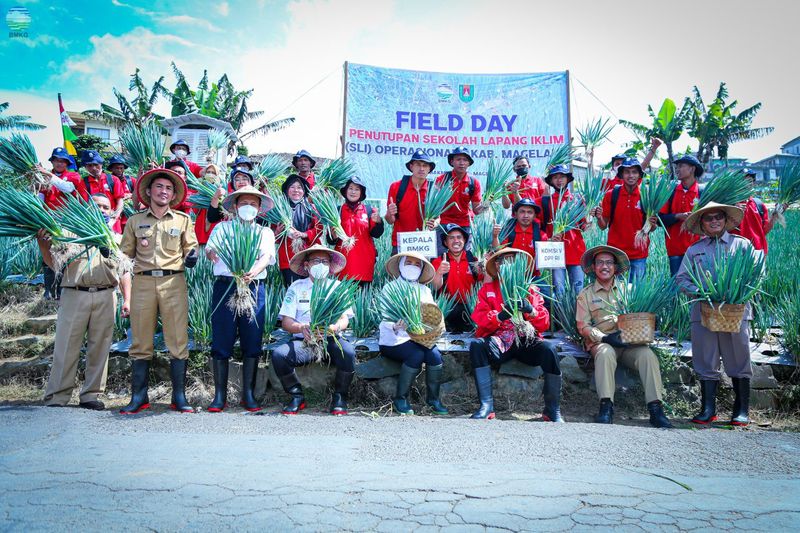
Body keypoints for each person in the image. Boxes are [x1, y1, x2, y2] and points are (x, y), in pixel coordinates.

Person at [37, 194, 131, 410]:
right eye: (97, 206)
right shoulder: (69, 235)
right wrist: (43, 244)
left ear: (111, 211)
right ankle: (57, 395)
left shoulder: (116, 238)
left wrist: (127, 299)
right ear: (87, 208)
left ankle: (91, 395)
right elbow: (54, 264)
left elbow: (125, 270)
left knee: (100, 346)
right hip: (75, 293)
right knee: (66, 344)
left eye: (106, 207)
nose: (102, 210)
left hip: (106, 295)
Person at [119, 168, 199, 414]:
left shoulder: (182, 220)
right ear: (149, 191)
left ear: (173, 195)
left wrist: (192, 257)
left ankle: (179, 397)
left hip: (173, 282)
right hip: (143, 282)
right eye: (159, 187)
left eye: (169, 188)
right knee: (141, 339)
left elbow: (191, 246)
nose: (164, 191)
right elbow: (125, 255)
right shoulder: (135, 221)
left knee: (177, 338)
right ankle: (139, 397)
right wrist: (112, 255)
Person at [676, 202, 756, 426]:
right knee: (706, 358)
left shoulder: (742, 245)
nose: (714, 221)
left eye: (718, 217)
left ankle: (741, 410)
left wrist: (737, 292)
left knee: (739, 356)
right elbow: (682, 279)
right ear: (702, 224)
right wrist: (700, 291)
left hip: (735, 312)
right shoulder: (694, 250)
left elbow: (756, 274)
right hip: (704, 312)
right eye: (708, 218)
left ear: (726, 220)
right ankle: (708, 409)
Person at [575, 245, 672, 428]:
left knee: (647, 356)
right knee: (605, 353)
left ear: (615, 267)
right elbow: (583, 326)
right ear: (593, 267)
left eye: (609, 262)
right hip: (602, 343)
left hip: (629, 344)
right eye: (600, 262)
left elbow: (641, 314)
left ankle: (656, 409)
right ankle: (606, 407)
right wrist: (604, 338)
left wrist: (651, 322)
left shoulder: (629, 290)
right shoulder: (585, 294)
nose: (605, 266)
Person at [469, 248, 563, 422]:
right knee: (477, 346)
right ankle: (486, 406)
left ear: (520, 265)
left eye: (513, 261)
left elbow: (544, 323)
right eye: (504, 261)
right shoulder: (487, 289)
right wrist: (499, 316)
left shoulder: (531, 290)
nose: (509, 265)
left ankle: (552, 409)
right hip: (501, 341)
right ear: (497, 266)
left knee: (549, 349)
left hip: (526, 340)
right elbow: (480, 319)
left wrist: (531, 311)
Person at [205, 186, 276, 413]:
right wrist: (211, 253)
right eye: (244, 203)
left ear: (259, 209)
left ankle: (249, 394)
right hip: (226, 287)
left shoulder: (265, 232)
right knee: (222, 339)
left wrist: (253, 271)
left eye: (253, 204)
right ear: (235, 206)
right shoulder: (222, 228)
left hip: (253, 288)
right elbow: (210, 250)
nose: (248, 207)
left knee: (252, 339)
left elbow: (266, 256)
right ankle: (219, 396)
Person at [273, 245, 357, 415]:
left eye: (324, 261)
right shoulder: (297, 287)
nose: (321, 264)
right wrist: (301, 327)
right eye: (316, 261)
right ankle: (296, 396)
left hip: (331, 340)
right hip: (305, 341)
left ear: (330, 265)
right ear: (307, 265)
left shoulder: (337, 287)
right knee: (279, 355)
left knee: (348, 353)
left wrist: (334, 328)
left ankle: (340, 397)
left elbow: (345, 319)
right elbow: (286, 322)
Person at [379, 252, 448, 415]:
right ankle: (400, 398)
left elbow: (433, 316)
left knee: (435, 356)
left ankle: (433, 399)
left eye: (417, 264)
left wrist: (434, 326)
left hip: (420, 338)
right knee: (416, 355)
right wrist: (395, 326)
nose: (412, 266)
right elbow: (384, 316)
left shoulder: (425, 290)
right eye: (408, 262)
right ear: (401, 265)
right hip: (394, 339)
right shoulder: (390, 288)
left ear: (422, 269)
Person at [592, 158, 658, 280]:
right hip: (616, 253)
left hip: (638, 253)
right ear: (622, 174)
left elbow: (652, 228)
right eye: (627, 172)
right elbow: (603, 226)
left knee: (637, 290)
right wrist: (599, 217)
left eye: (634, 172)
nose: (631, 175)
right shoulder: (611, 194)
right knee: (616, 290)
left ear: (639, 175)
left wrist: (653, 224)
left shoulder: (646, 196)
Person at [39, 148, 87, 300]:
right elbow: (40, 197)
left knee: (64, 253)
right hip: (49, 221)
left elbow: (67, 188)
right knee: (48, 252)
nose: (59, 163)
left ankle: (64, 289)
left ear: (67, 163)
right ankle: (49, 290)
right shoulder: (44, 177)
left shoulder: (73, 176)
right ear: (52, 161)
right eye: (56, 160)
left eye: (62, 161)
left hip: (67, 222)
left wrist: (48, 175)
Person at [539, 165, 587, 295]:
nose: (559, 180)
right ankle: (560, 310)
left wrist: (590, 218)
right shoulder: (545, 202)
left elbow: (583, 226)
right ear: (551, 181)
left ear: (567, 179)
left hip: (576, 251)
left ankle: (578, 310)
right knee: (559, 292)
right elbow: (537, 226)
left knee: (578, 292)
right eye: (555, 177)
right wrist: (548, 238)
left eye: (562, 177)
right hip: (555, 253)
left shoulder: (577, 200)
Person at [331, 176, 384, 285]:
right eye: (350, 188)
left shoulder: (369, 210)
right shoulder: (337, 211)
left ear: (361, 193)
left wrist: (379, 222)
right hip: (343, 265)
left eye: (357, 189)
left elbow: (376, 234)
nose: (353, 192)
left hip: (364, 264)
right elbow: (331, 240)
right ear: (345, 191)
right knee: (342, 294)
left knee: (363, 295)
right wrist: (333, 235)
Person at [385, 149, 437, 254]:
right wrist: (390, 213)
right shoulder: (396, 187)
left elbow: (438, 218)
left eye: (425, 165)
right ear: (411, 166)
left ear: (429, 169)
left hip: (424, 243)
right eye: (418, 165)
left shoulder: (433, 190)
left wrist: (435, 223)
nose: (421, 168)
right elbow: (390, 220)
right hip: (401, 242)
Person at [435, 146, 486, 254]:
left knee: (464, 257)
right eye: (458, 159)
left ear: (469, 163)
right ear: (452, 162)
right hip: (444, 223)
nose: (462, 163)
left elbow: (476, 210)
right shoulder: (442, 179)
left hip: (464, 224)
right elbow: (434, 206)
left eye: (465, 160)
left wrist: (486, 204)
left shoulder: (473, 182)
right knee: (441, 256)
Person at [659, 155, 703, 275]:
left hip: (698, 249)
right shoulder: (670, 191)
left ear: (692, 169)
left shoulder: (702, 192)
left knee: (698, 284)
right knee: (677, 283)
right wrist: (678, 216)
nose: (677, 169)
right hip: (675, 250)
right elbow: (660, 220)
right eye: (677, 166)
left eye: (681, 166)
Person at [431, 224, 479, 332]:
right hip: (447, 311)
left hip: (470, 310)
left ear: (464, 240)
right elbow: (435, 287)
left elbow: (484, 285)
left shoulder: (473, 260)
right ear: (445, 242)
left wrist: (487, 267)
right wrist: (439, 273)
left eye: (459, 237)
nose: (456, 240)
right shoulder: (438, 261)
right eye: (451, 238)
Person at [274, 174, 320, 286]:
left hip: (308, 255)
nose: (296, 190)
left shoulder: (311, 208)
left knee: (310, 288)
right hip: (288, 258)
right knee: (292, 288)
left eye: (299, 187)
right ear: (286, 190)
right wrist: (278, 232)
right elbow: (273, 236)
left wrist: (305, 234)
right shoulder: (279, 209)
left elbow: (319, 229)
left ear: (304, 191)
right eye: (292, 187)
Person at [492, 198, 549, 281]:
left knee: (546, 288)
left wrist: (554, 243)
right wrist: (495, 236)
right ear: (515, 214)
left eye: (530, 212)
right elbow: (498, 251)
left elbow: (546, 259)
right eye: (522, 212)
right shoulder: (507, 232)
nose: (526, 215)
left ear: (534, 216)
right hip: (510, 276)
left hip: (532, 277)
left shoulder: (541, 235)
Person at [731, 168, 783, 255]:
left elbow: (763, 231)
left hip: (757, 252)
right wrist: (733, 209)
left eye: (750, 181)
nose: (747, 184)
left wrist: (775, 215)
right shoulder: (728, 204)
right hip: (736, 253)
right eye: (743, 181)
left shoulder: (758, 204)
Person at [80, 150, 126, 233]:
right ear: (85, 167)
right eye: (90, 165)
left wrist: (115, 217)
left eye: (96, 164)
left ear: (101, 164)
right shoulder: (83, 183)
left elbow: (120, 200)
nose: (93, 168)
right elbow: (85, 205)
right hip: (95, 224)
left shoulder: (113, 179)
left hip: (113, 222)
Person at [193, 163, 222, 246]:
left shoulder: (220, 187)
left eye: (213, 173)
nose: (210, 174)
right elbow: (194, 206)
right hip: (202, 216)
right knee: (200, 240)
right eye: (208, 172)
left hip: (215, 217)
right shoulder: (199, 187)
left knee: (213, 241)